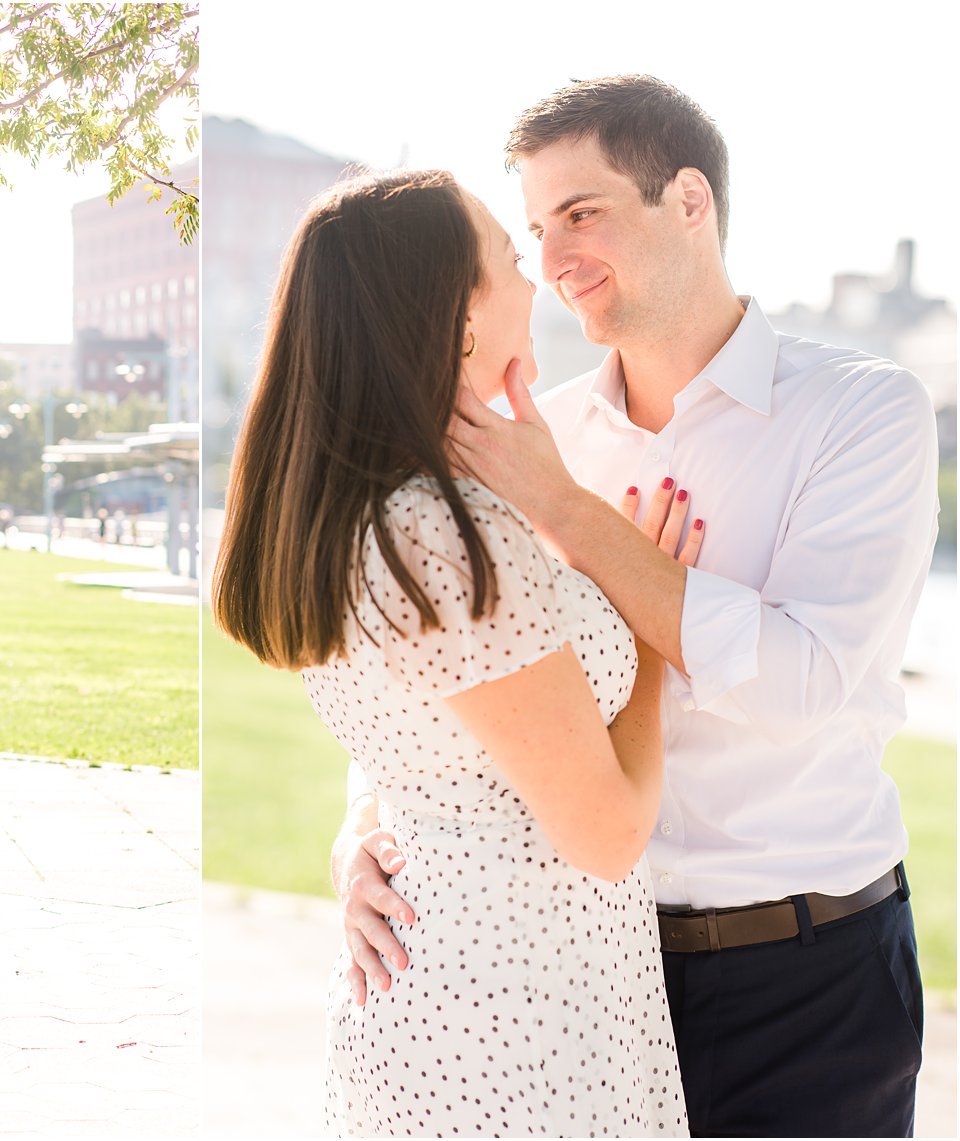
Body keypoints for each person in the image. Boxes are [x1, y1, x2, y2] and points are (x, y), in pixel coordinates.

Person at [336, 76, 937, 1137]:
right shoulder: (535, 431)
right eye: (532, 230)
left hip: (803, 978)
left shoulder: (859, 410)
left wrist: (567, 512)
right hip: (577, 979)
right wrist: (361, 834)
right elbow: (444, 666)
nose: (554, 258)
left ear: (689, 202)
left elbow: (800, 684)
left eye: (581, 212)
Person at [212, 168, 691, 1136]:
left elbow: (422, 733)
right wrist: (647, 649)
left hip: (438, 1009)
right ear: (456, 321)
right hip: (523, 1031)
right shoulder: (440, 536)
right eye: (509, 260)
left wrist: (355, 838)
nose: (535, 279)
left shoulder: (355, 513)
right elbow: (604, 836)